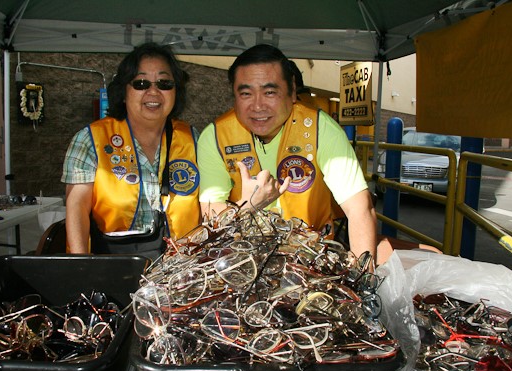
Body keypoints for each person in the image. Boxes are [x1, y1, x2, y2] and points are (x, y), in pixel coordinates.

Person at [197, 44, 377, 262]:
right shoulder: (215, 136)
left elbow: (359, 208)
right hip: (242, 260)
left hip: (313, 257)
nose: (257, 106)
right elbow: (211, 215)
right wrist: (249, 205)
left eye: (270, 92)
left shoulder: (320, 129)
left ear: (292, 91)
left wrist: (361, 278)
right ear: (234, 96)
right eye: (246, 93)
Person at [61, 42, 200, 258]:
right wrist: (81, 267)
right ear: (124, 91)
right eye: (141, 83)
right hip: (113, 265)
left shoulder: (194, 140)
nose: (153, 91)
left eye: (164, 83)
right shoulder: (91, 140)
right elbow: (76, 208)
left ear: (176, 91)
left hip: (181, 270)